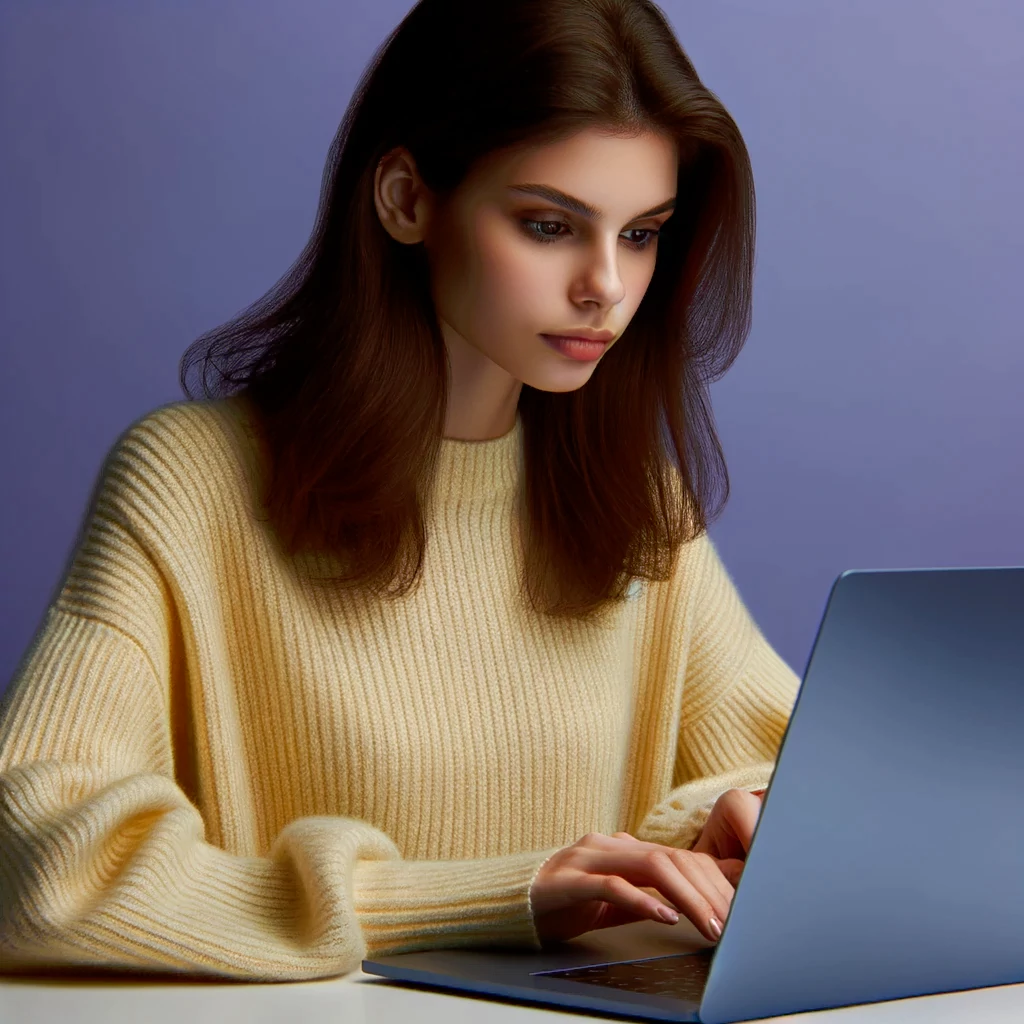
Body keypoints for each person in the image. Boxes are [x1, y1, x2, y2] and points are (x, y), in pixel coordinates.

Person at [0, 0, 799, 982]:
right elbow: (38, 862)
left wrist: (730, 831)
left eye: (641, 234)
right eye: (549, 225)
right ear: (405, 199)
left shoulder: (634, 497)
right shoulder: (191, 483)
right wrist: (459, 900)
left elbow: (787, 768)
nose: (606, 286)